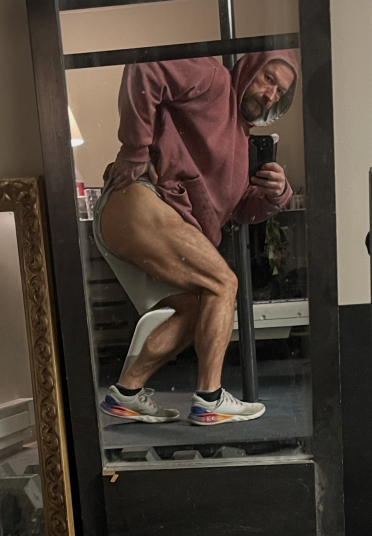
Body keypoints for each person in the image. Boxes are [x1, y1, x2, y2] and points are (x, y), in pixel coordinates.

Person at [93, 49, 298, 425]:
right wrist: (135, 149)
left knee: (196, 308)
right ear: (250, 67)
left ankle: (127, 392)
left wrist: (277, 194)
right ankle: (210, 399)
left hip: (148, 217)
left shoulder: (242, 146)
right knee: (224, 284)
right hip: (138, 200)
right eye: (268, 79)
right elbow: (146, 66)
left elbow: (239, 212)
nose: (270, 94)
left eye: (280, 92)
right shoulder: (213, 79)